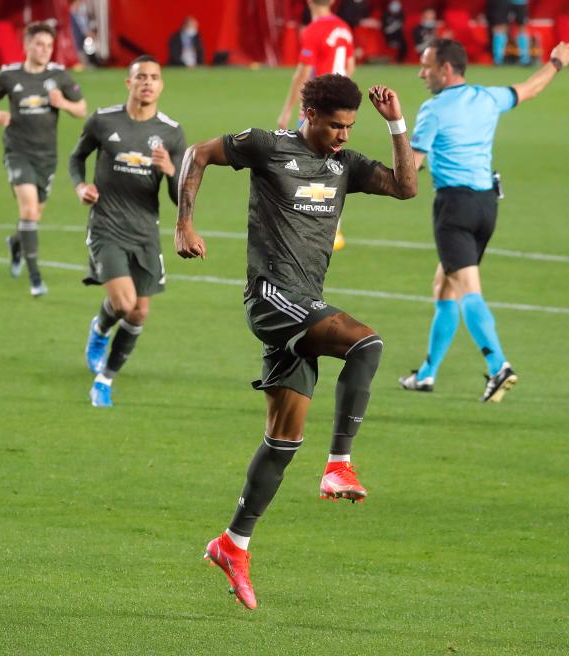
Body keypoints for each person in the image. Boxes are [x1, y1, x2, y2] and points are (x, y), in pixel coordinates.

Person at [175, 74, 417, 609]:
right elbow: (197, 153)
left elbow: (406, 187)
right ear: (308, 113)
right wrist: (184, 224)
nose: (343, 136)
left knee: (283, 440)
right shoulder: (267, 146)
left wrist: (396, 123)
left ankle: (232, 544)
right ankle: (338, 465)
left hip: (302, 307)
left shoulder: (344, 166)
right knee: (366, 343)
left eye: (350, 127)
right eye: (335, 125)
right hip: (272, 298)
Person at [398, 38, 569, 402]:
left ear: (445, 69)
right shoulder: (486, 97)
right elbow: (529, 89)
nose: (421, 74)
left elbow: (411, 166)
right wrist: (556, 63)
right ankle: (427, 374)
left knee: (466, 288)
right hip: (486, 206)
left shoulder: (432, 110)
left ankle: (499, 367)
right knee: (444, 284)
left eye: (426, 67)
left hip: (454, 208)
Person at [69, 56, 185, 408]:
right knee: (124, 302)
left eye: (154, 77)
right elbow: (77, 158)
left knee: (139, 313)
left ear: (161, 85)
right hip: (107, 226)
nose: (147, 83)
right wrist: (80, 187)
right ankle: (101, 332)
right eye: (141, 77)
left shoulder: (171, 132)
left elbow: (179, 197)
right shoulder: (103, 121)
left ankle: (105, 377)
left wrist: (170, 171)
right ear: (128, 83)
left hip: (145, 232)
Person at [0, 22, 87, 297]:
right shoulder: (9, 76)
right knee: (28, 211)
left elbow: (82, 109)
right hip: (18, 152)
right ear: (26, 45)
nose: (44, 50)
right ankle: (35, 278)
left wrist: (63, 103)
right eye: (39, 44)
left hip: (46, 156)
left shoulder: (59, 77)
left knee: (34, 216)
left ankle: (16, 244)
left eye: (49, 46)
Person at [278, 0, 356, 251]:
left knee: (303, 164)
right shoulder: (343, 27)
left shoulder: (312, 30)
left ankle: (309, 225)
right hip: (341, 107)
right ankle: (334, 230)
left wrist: (288, 109)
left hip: (317, 105)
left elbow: (303, 72)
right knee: (331, 165)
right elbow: (350, 66)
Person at [488, 0, 531, 65]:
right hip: (502, 2)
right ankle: (498, 59)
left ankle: (525, 59)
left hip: (520, 2)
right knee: (500, 27)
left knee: (522, 28)